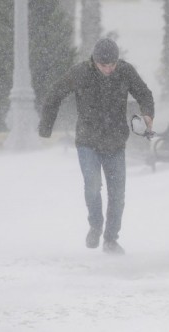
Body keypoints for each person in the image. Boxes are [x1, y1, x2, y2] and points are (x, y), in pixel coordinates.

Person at [39, 38, 154, 255]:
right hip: (88, 141)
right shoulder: (80, 73)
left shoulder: (125, 71)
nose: (109, 69)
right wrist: (46, 127)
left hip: (115, 141)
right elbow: (55, 94)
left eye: (112, 65)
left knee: (117, 193)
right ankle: (95, 225)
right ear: (94, 61)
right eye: (104, 65)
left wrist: (147, 114)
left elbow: (144, 93)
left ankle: (110, 239)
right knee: (92, 185)